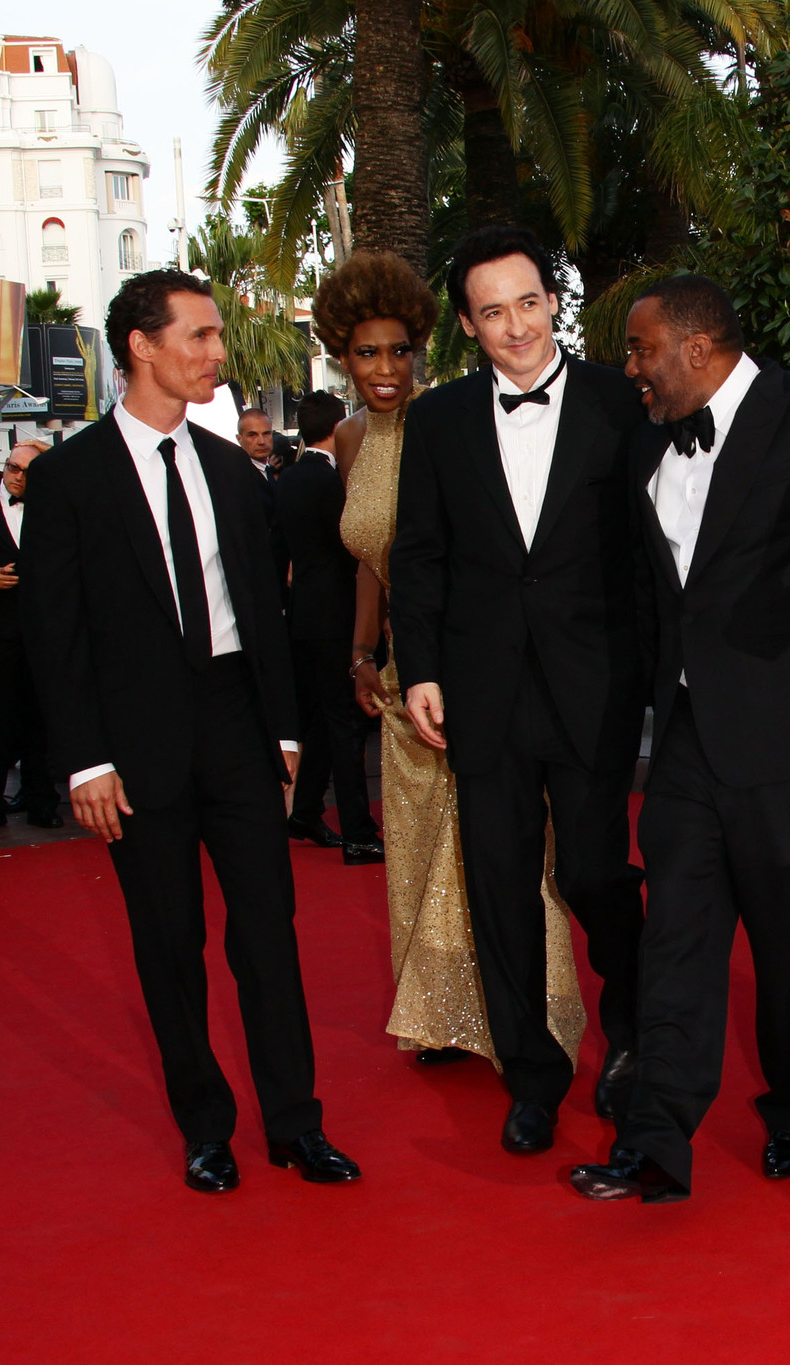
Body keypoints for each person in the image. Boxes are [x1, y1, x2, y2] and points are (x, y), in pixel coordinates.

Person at [567, 274, 790, 1205]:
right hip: (684, 731)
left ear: (697, 348)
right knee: (675, 927)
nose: (628, 368)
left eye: (640, 350)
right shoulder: (646, 438)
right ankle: (656, 1139)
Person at [22, 269, 359, 1194]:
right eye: (202, 336)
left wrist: (286, 735)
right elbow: (56, 635)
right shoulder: (67, 478)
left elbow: (264, 611)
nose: (218, 353)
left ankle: (296, 1124)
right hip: (132, 747)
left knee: (270, 935)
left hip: (237, 726)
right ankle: (205, 1125)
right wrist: (85, 761)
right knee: (168, 943)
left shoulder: (232, 471)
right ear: (142, 343)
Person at [390, 227, 645, 1156]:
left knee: (592, 872)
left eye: (528, 302)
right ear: (468, 324)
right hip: (480, 688)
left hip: (594, 682)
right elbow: (418, 556)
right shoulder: (440, 420)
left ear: (553, 301)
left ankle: (634, 1032)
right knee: (498, 884)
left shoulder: (624, 403)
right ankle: (531, 1074)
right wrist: (419, 666)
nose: (517, 325)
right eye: (492, 311)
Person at [321, 252, 589, 1091]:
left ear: (429, 347)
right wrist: (365, 652)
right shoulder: (351, 440)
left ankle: (535, 1011)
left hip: (477, 668)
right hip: (407, 675)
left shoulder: (452, 420)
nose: (387, 369)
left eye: (400, 351)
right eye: (368, 354)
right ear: (342, 357)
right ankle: (443, 1014)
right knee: (421, 852)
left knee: (504, 852)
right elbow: (378, 557)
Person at [274, 391, 382, 863]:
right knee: (345, 726)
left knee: (320, 720)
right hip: (340, 618)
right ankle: (358, 832)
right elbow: (355, 548)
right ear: (337, 428)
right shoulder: (338, 482)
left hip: (303, 617)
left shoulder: (288, 479)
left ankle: (305, 812)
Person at [0, 440, 62, 832]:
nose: (17, 476)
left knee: (40, 721)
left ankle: (43, 802)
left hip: (42, 632)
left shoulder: (54, 508)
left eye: (26, 471)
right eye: (12, 467)